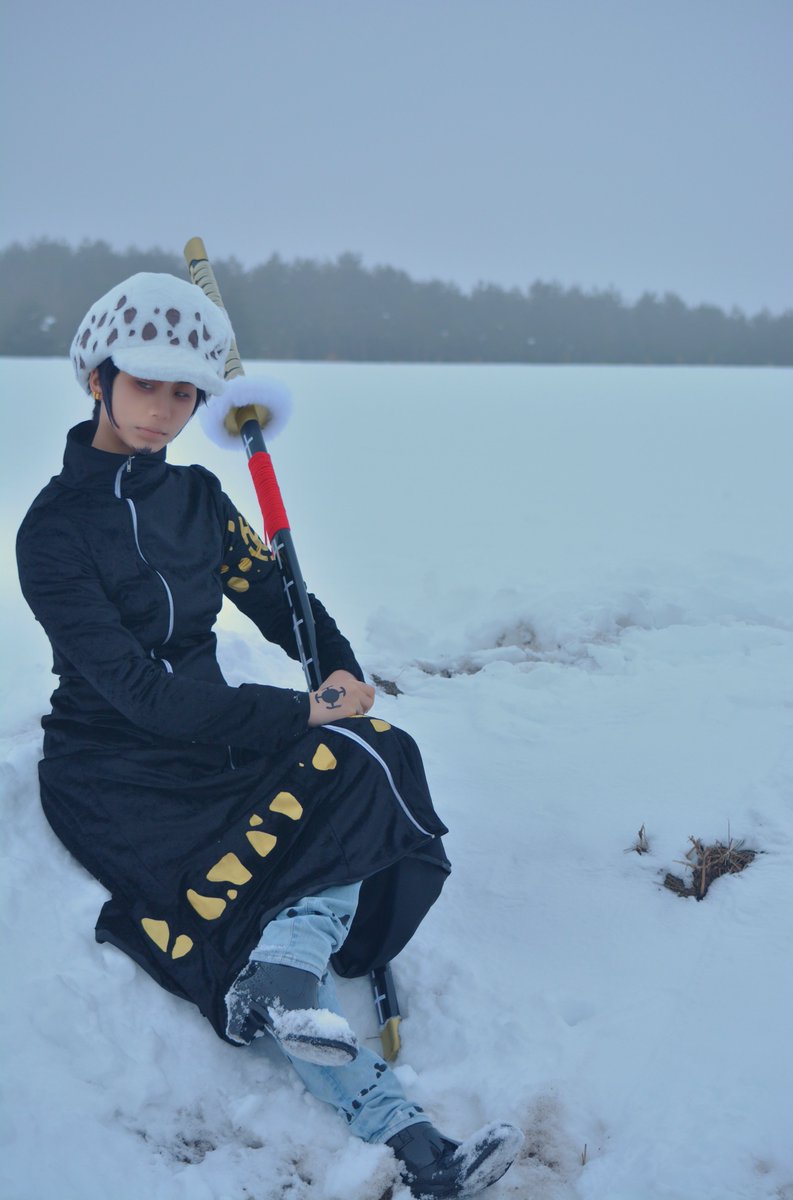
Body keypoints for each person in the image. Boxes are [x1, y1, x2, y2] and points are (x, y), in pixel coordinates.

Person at [16, 272, 523, 1198]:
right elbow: (142, 696)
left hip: (211, 744)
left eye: (184, 393)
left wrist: (339, 669)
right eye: (145, 385)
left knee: (376, 754)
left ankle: (328, 1030)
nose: (164, 411)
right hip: (117, 775)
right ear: (97, 377)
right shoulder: (51, 534)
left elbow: (282, 600)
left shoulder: (200, 500)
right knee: (264, 881)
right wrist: (299, 711)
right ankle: (385, 1106)